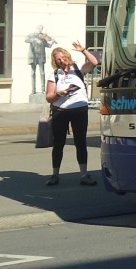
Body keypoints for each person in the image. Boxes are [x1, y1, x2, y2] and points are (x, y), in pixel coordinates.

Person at [44, 41, 99, 187]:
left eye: (62, 57)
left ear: (67, 56)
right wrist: (58, 94)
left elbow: (94, 62)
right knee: (58, 144)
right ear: (55, 62)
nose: (61, 60)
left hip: (79, 111)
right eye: (58, 60)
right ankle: (55, 175)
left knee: (80, 142)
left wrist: (83, 50)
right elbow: (49, 97)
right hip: (60, 112)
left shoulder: (78, 69)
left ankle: (84, 174)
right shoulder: (55, 75)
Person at [25, 25, 55, 94]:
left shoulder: (43, 38)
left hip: (41, 57)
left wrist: (53, 41)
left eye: (42, 29)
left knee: (42, 73)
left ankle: (43, 90)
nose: (41, 30)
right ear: (37, 28)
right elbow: (26, 39)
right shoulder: (32, 35)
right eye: (39, 28)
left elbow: (49, 46)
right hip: (33, 57)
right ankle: (33, 90)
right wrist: (34, 39)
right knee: (33, 73)